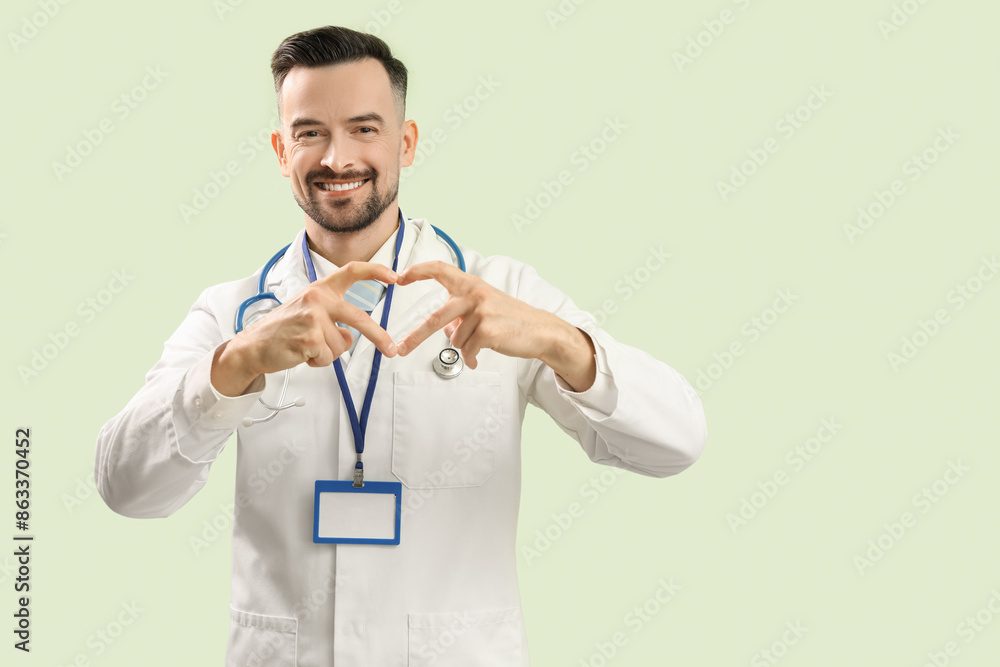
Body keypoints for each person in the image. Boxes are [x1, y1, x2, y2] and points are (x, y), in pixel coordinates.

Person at [95, 25, 707, 666]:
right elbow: (125, 488)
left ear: (405, 142)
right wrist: (236, 362)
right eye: (310, 133)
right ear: (281, 150)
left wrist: (561, 343)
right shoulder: (236, 312)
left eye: (364, 128)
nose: (337, 159)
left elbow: (678, 443)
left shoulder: (499, 291)